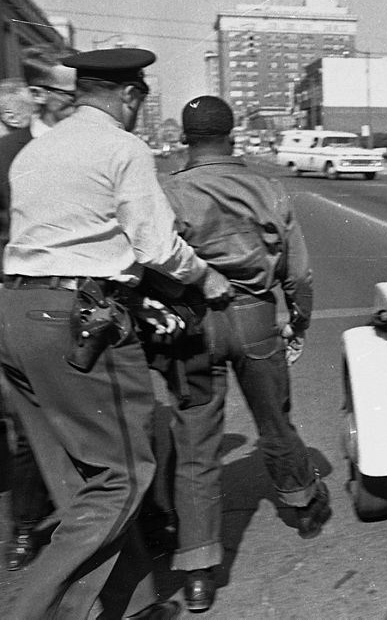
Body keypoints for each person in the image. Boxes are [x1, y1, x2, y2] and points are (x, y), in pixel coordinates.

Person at [0, 47, 234, 620]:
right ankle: (27, 610)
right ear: (130, 97)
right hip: (82, 321)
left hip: (13, 314)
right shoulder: (122, 147)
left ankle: (132, 606)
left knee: (82, 479)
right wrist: (208, 280)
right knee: (124, 478)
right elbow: (155, 247)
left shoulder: (36, 150)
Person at [150, 95, 328, 613]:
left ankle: (199, 570)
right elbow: (298, 273)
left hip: (194, 323)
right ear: (232, 137)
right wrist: (298, 320)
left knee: (197, 442)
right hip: (253, 316)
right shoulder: (267, 188)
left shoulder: (170, 191)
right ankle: (302, 505)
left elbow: (155, 259)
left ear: (186, 139)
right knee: (275, 420)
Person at [0, 78, 55, 572]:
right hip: (40, 292)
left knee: (19, 423)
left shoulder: (7, 153)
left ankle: (22, 531)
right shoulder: (42, 154)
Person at [22, 43, 80, 137]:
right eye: (73, 93)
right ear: (37, 95)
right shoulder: (10, 149)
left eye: (89, 91)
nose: (87, 100)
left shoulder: (105, 139)